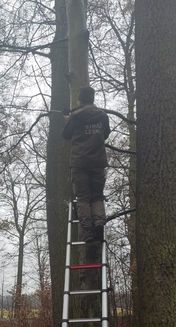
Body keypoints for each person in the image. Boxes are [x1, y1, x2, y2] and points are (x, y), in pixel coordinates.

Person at [62, 86, 110, 242]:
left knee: (83, 197)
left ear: (80, 99)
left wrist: (67, 119)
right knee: (97, 196)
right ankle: (99, 223)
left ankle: (87, 232)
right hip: (98, 162)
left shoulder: (75, 117)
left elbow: (66, 134)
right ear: (93, 98)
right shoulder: (102, 116)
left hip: (79, 163)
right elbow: (106, 134)